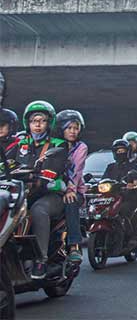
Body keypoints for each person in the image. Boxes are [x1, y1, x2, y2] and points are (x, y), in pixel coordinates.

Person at [16, 101, 68, 280]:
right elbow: (5, 164)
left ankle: (41, 259)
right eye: (33, 120)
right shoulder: (20, 143)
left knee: (38, 210)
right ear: (27, 123)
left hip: (49, 194)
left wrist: (40, 177)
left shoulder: (58, 144)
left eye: (42, 120)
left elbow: (54, 168)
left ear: (49, 123)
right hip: (22, 192)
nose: (37, 124)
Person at [56, 110, 89, 263]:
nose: (73, 131)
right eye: (69, 128)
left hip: (75, 190)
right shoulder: (54, 144)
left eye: (76, 128)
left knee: (70, 201)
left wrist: (70, 189)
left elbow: (76, 171)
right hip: (54, 187)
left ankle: (74, 245)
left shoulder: (81, 147)